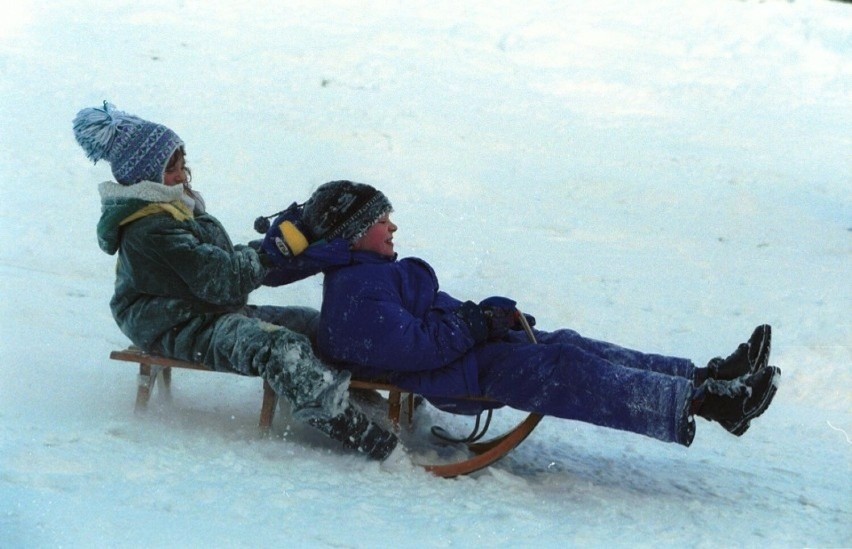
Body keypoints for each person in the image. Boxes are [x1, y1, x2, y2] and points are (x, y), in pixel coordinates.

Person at [262, 180, 780, 447]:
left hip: (471, 355)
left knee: (569, 344)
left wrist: (484, 316)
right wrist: (476, 324)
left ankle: (705, 378)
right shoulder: (355, 295)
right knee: (565, 370)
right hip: (465, 374)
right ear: (354, 233)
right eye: (383, 222)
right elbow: (415, 348)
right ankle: (709, 405)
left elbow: (427, 322)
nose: (393, 228)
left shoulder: (366, 273)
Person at [72, 104, 397, 460]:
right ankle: (348, 424)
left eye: (182, 164)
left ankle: (367, 397)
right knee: (278, 347)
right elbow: (222, 279)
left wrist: (290, 251)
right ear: (145, 175)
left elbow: (221, 262)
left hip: (206, 308)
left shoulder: (176, 209)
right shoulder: (151, 227)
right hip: (174, 323)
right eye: (171, 169)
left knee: (312, 324)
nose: (182, 176)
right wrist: (274, 252)